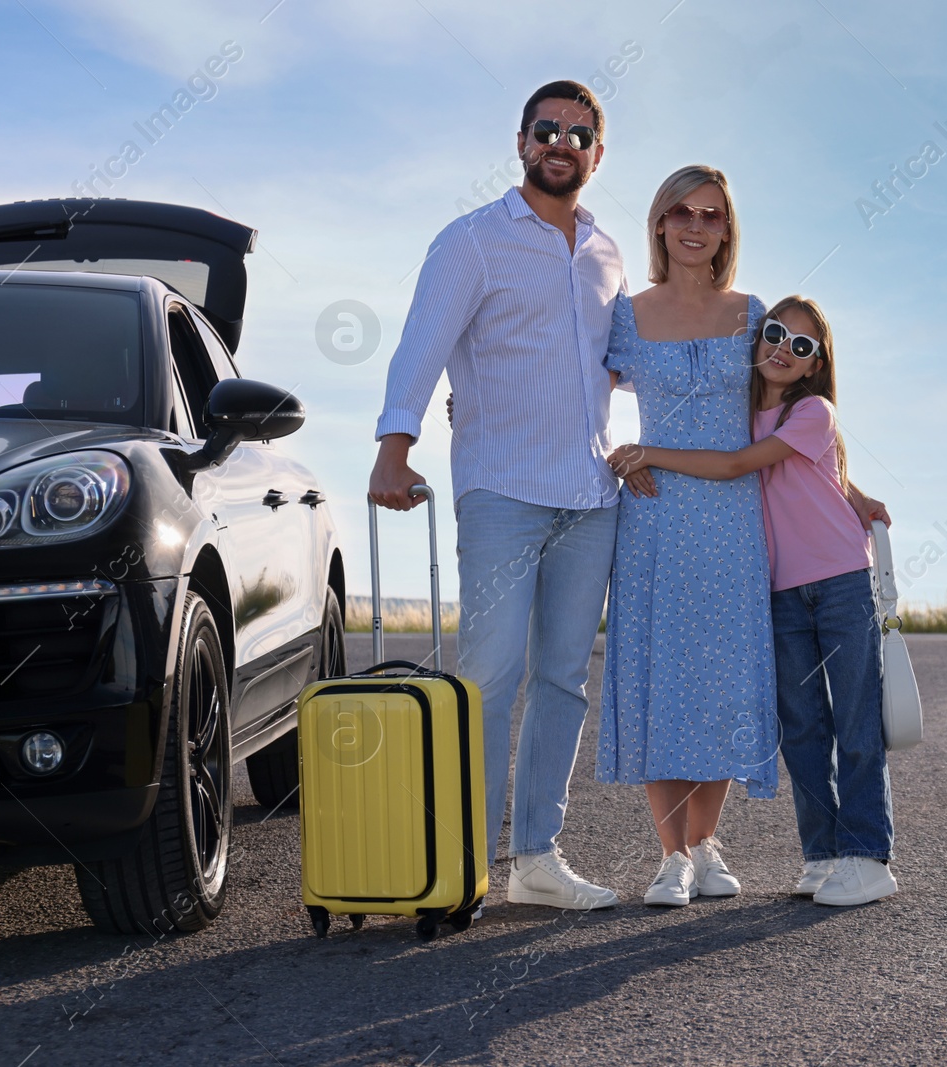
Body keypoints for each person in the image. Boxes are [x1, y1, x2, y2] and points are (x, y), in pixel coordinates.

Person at [369, 80, 623, 911]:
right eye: (547, 130)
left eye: (579, 135)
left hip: (590, 495)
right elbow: (422, 348)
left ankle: (537, 858)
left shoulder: (607, 252)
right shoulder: (472, 241)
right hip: (502, 490)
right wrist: (393, 451)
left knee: (562, 680)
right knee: (488, 673)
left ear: (596, 153)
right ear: (521, 143)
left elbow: (614, 366)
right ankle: (464, 864)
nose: (562, 144)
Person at [609, 294, 899, 906]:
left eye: (801, 346)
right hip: (781, 590)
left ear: (816, 363)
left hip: (841, 580)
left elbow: (741, 465)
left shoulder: (813, 410)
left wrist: (648, 451)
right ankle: (822, 856)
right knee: (801, 728)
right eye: (774, 334)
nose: (782, 350)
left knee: (854, 721)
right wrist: (859, 493)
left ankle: (868, 856)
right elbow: (828, 476)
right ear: (756, 338)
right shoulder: (741, 412)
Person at [594, 165, 778, 907]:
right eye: (682, 212)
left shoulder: (752, 311)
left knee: (724, 674)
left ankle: (706, 844)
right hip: (656, 515)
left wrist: (849, 487)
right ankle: (670, 854)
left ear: (726, 228)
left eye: (711, 214)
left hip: (733, 516)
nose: (696, 226)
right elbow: (580, 396)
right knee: (658, 674)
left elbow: (788, 412)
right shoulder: (628, 314)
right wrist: (611, 453)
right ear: (660, 223)